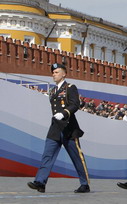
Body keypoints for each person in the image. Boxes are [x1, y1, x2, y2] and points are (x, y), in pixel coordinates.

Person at [27, 63, 90, 193]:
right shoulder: (53, 91)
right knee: (47, 155)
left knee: (77, 157)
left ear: (64, 74)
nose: (54, 74)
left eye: (56, 72)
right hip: (55, 127)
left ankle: (85, 184)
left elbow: (75, 104)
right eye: (53, 72)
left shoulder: (70, 87)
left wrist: (65, 113)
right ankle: (40, 182)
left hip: (68, 127)